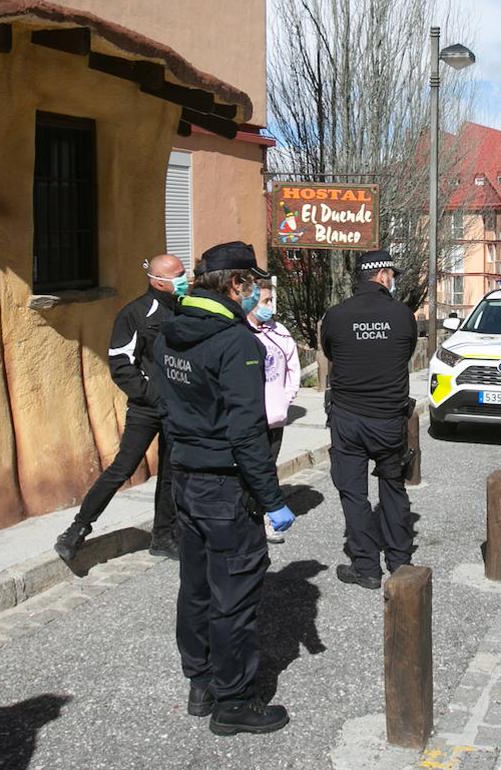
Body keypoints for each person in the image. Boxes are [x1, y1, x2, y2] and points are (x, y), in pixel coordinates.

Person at [154, 241, 295, 736]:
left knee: (195, 587)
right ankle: (233, 701)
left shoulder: (170, 331)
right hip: (224, 486)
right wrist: (272, 499)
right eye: (251, 282)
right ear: (236, 284)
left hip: (186, 477)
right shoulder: (236, 343)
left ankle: (201, 682)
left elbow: (166, 406)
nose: (255, 291)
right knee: (233, 594)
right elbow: (247, 431)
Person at [55, 254, 188, 563]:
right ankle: (77, 529)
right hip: (147, 408)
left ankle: (163, 536)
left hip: (178, 409)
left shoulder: (185, 310)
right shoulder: (135, 314)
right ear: (158, 282)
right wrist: (153, 396)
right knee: (122, 469)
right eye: (179, 275)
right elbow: (121, 365)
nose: (185, 279)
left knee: (172, 472)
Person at [320, 249, 417, 590]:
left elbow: (330, 352)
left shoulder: (336, 315)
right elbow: (406, 352)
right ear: (383, 276)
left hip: (347, 418)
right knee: (393, 486)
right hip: (388, 419)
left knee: (353, 493)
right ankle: (400, 560)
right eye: (392, 275)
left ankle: (366, 568)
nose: (393, 280)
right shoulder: (403, 315)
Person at [247, 281, 302, 543]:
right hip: (250, 418)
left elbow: (293, 367)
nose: (270, 306)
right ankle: (248, 518)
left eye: (271, 300)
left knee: (268, 468)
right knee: (250, 470)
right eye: (265, 301)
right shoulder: (240, 332)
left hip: (275, 417)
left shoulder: (279, 331)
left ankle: (267, 516)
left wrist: (285, 399)